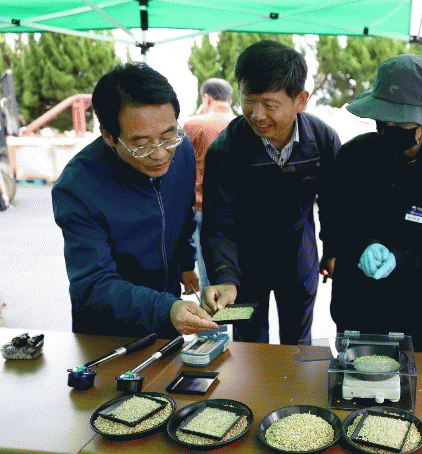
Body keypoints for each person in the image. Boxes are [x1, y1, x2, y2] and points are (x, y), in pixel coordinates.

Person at [52, 62, 219, 338]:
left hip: (168, 312)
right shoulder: (77, 186)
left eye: (168, 136)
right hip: (108, 331)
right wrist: (165, 308)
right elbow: (93, 283)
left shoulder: (183, 151)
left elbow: (183, 213)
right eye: (141, 145)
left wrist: (186, 263)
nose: (160, 154)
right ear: (108, 135)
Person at [325, 54, 422, 352]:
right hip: (355, 303)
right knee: (350, 372)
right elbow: (333, 214)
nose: (390, 128)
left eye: (402, 123)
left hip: (415, 311)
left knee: (405, 374)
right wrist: (358, 245)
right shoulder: (353, 156)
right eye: (384, 121)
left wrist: (402, 260)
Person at [200, 40, 341, 345]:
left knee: (297, 341)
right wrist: (225, 277)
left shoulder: (323, 140)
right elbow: (218, 223)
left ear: (300, 100)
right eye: (248, 101)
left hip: (299, 256)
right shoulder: (225, 149)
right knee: (248, 345)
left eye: (270, 105)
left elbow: (334, 202)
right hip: (243, 266)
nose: (257, 115)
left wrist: (332, 249)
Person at [182, 78, 236, 294]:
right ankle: (232, 314)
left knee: (209, 278)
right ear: (230, 100)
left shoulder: (193, 125)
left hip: (202, 208)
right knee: (234, 275)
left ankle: (213, 316)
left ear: (206, 98)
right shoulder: (244, 125)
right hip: (238, 212)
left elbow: (178, 170)